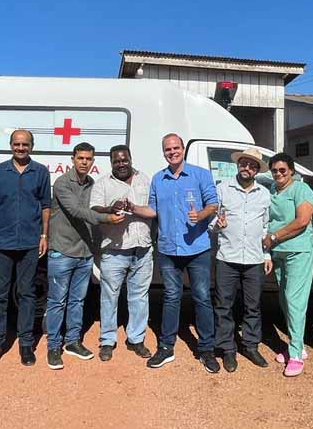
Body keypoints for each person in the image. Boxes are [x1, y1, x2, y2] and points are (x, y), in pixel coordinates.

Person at [131, 133, 219, 372]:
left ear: (183, 149)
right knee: (171, 297)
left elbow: (214, 204)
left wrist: (200, 215)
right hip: (169, 248)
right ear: (164, 152)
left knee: (201, 297)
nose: (172, 152)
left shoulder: (200, 174)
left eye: (176, 148)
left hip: (197, 247)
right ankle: (166, 347)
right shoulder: (159, 179)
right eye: (168, 149)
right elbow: (152, 210)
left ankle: (206, 349)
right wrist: (132, 208)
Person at [44, 142, 123, 370]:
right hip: (62, 250)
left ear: (92, 161)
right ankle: (53, 346)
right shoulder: (61, 183)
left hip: (84, 252)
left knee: (78, 301)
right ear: (73, 158)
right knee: (57, 301)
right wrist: (108, 219)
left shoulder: (91, 184)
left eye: (88, 159)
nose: (84, 162)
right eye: (80, 158)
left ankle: (72, 342)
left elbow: (95, 208)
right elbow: (77, 212)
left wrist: (110, 208)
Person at [0, 129, 51, 369]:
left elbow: (45, 206)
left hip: (30, 243)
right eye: (16, 144)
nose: (20, 148)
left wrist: (44, 235)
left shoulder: (40, 172)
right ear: (10, 145)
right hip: (1, 243)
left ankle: (25, 343)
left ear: (31, 146)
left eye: (25, 144)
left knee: (27, 294)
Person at [89, 145, 154, 362]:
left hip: (142, 249)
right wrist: (110, 208)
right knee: (109, 297)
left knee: (139, 297)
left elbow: (154, 209)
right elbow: (93, 209)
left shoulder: (145, 179)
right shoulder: (103, 184)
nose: (121, 164)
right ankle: (107, 340)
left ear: (130, 158)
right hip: (115, 250)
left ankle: (136, 339)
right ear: (110, 162)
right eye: (116, 161)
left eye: (124, 159)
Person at [211, 147, 273, 371]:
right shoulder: (223, 189)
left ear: (256, 169)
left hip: (254, 258)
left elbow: (265, 227)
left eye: (252, 165)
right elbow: (211, 221)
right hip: (227, 256)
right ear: (238, 165)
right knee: (223, 305)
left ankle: (250, 345)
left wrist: (267, 254)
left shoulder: (264, 194)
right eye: (244, 163)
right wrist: (217, 226)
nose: (247, 167)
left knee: (253, 306)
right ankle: (227, 349)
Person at [263, 153, 313, 378]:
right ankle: (298, 344)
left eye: (283, 170)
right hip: (279, 254)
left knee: (295, 301)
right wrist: (269, 249)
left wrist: (274, 238)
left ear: (292, 170)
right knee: (284, 299)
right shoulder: (273, 191)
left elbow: (302, 221)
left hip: (299, 251)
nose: (278, 174)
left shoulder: (301, 190)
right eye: (275, 170)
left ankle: (295, 355)